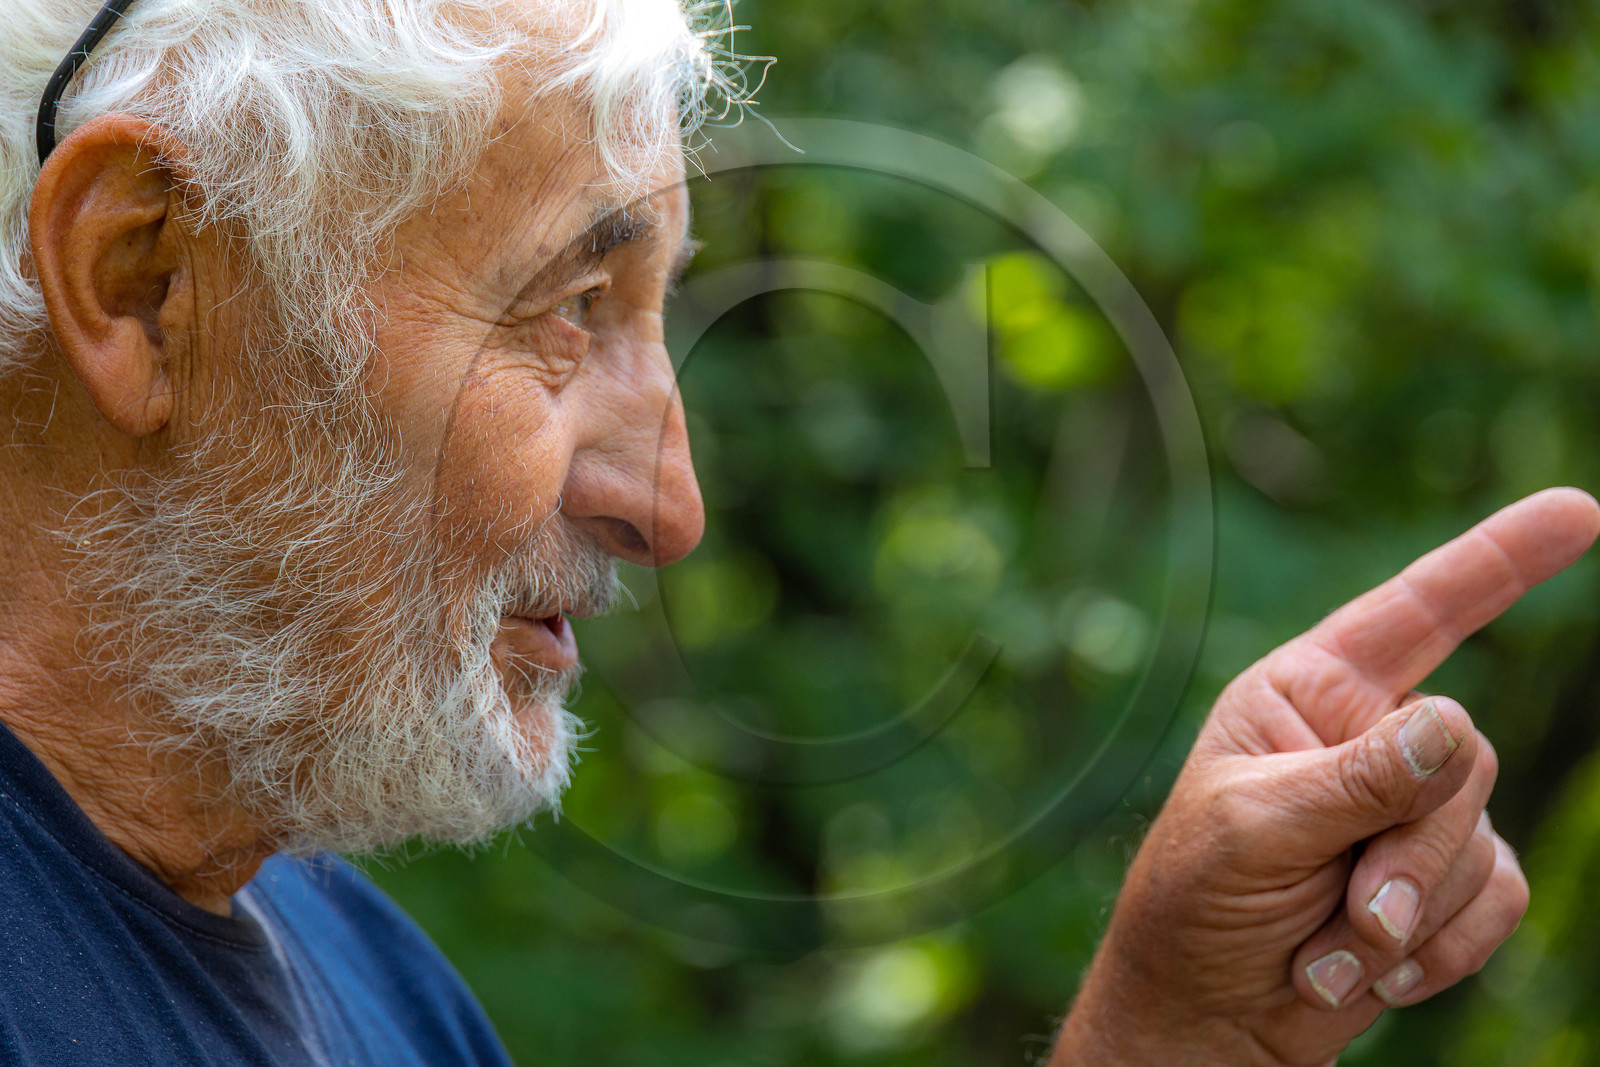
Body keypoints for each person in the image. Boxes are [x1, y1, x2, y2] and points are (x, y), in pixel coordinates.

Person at [0, 1, 1592, 1064]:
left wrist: (1166, 1037)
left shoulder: (374, 983)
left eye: (661, 316)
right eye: (570, 309)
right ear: (145, 279)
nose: (670, 505)